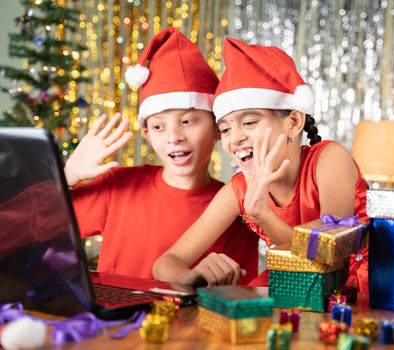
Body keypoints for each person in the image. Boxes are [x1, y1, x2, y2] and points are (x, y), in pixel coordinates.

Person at [153, 37, 369, 292]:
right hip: (295, 282)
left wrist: (262, 215)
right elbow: (165, 264)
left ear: (294, 122)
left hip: (357, 283)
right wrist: (193, 277)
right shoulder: (239, 190)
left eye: (249, 123)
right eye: (225, 128)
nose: (236, 138)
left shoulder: (330, 159)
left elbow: (329, 255)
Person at [65, 28, 258, 285]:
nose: (174, 136)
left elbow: (239, 296)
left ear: (217, 129)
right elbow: (24, 228)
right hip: (114, 323)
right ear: (146, 134)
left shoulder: (235, 207)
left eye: (188, 121)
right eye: (158, 126)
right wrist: (66, 177)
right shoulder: (118, 186)